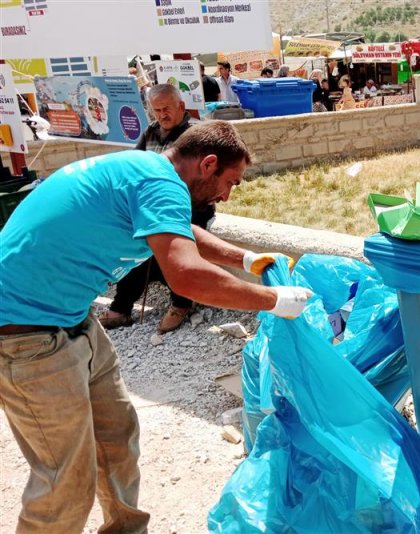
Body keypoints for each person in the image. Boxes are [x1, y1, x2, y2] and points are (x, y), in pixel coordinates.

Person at [0, 120, 312, 533]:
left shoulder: (149, 171)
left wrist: (245, 258)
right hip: (25, 335)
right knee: (65, 478)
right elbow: (186, 276)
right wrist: (273, 301)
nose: (226, 195)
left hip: (71, 318)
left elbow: (182, 233)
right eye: (230, 182)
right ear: (209, 164)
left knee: (116, 438)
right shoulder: (158, 183)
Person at [97, 84, 213, 333]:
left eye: (166, 109)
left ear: (181, 106)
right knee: (132, 242)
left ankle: (181, 302)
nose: (162, 115)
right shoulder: (151, 131)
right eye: (157, 110)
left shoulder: (197, 135)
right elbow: (136, 164)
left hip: (189, 206)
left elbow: (202, 182)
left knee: (171, 246)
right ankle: (121, 307)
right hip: (154, 206)